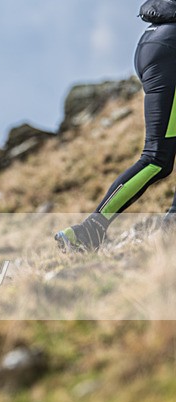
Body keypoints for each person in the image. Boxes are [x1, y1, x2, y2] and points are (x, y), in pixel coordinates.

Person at [55, 0, 176, 252]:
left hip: (153, 45)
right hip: (169, 51)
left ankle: (171, 229)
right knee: (157, 159)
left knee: (160, 157)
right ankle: (89, 230)